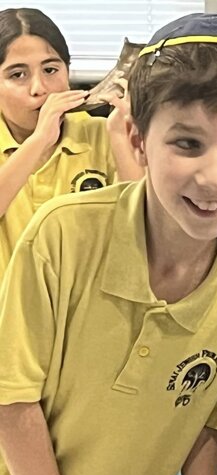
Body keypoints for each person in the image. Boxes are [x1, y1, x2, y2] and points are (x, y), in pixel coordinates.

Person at [0, 13, 217, 475]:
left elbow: (207, 417)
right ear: (136, 139)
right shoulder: (62, 235)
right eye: (188, 144)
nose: (214, 177)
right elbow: (11, 398)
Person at [0, 7, 144, 277]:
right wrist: (39, 140)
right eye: (17, 75)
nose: (39, 88)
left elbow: (142, 228)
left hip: (86, 298)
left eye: (50, 70)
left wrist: (119, 135)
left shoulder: (102, 134)